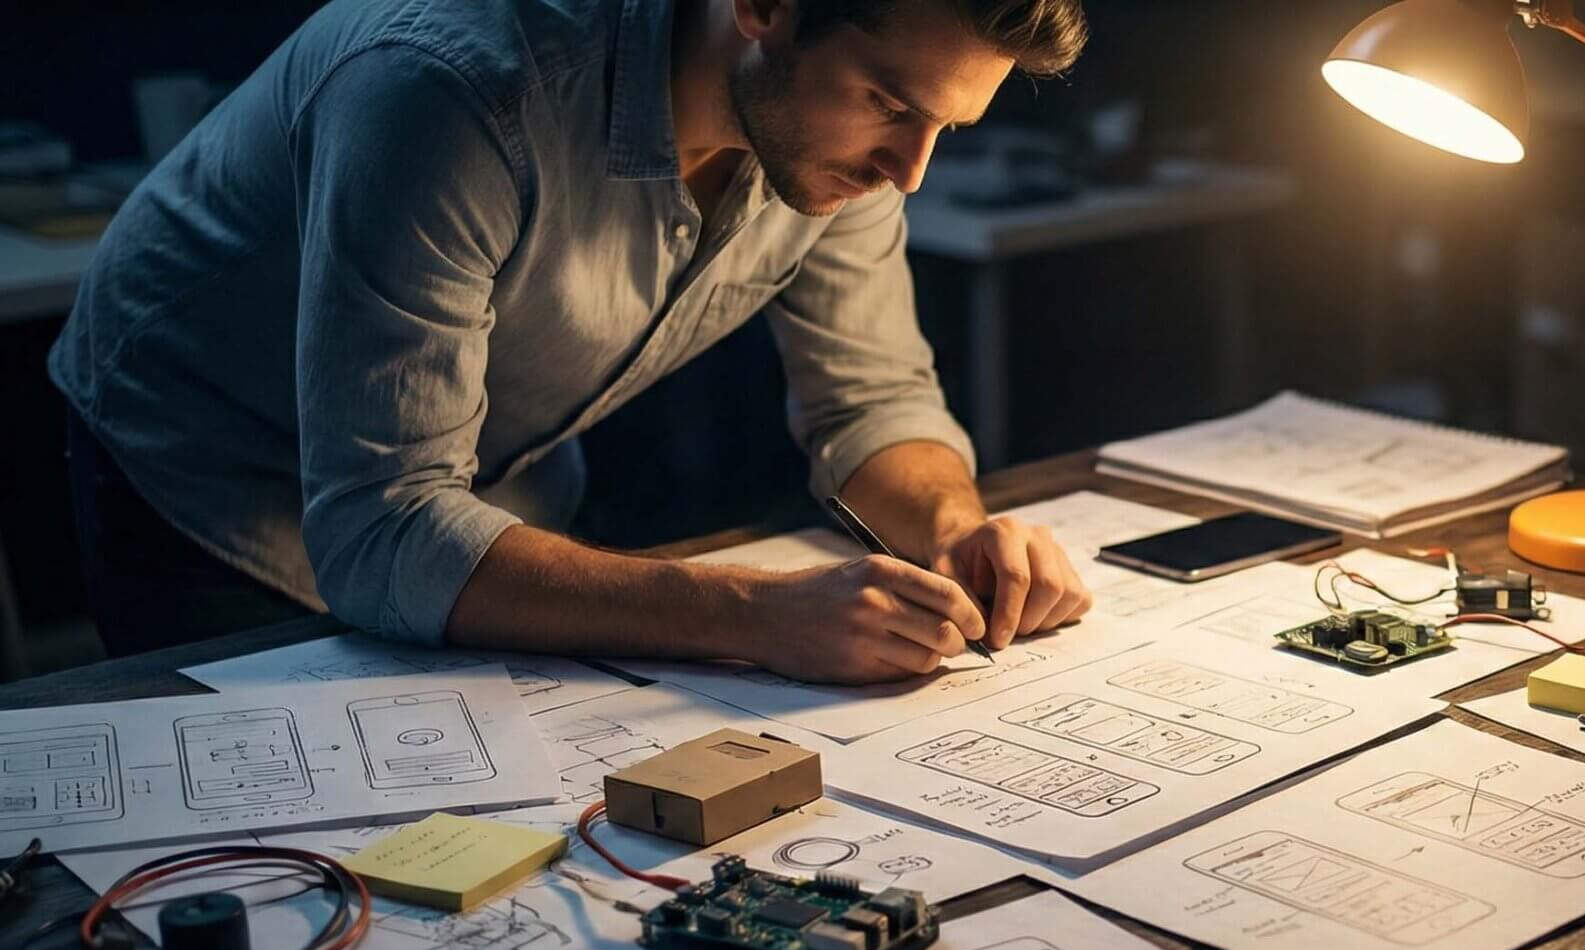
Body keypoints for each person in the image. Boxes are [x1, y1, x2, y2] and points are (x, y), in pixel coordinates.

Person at [51, 0, 1094, 680]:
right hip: (205, 468)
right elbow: (379, 530)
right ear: (764, 10)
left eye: (943, 129)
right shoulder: (450, 87)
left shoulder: (841, 148)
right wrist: (752, 614)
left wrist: (951, 525)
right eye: (887, 105)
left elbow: (870, 404)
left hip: (477, 488)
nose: (910, 172)